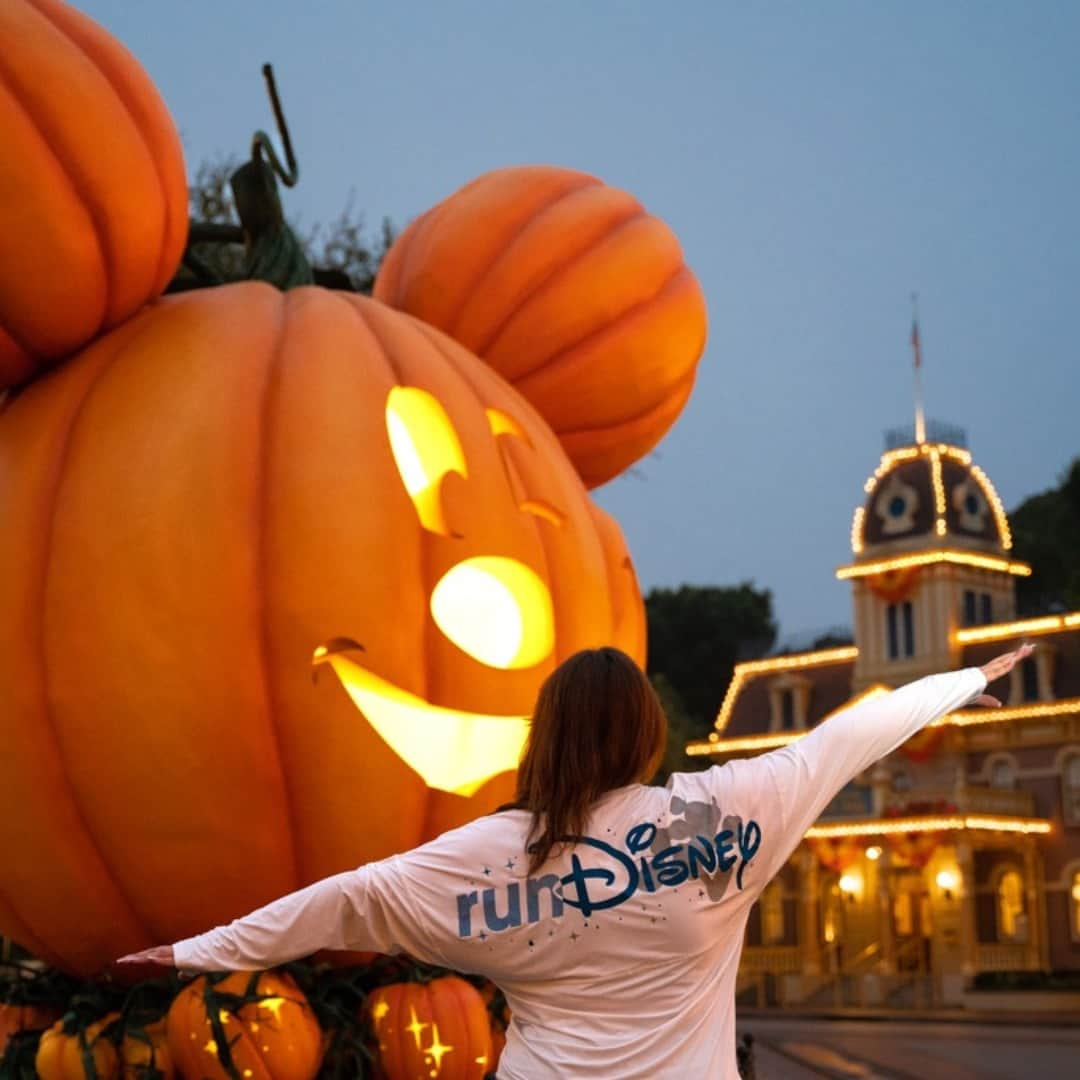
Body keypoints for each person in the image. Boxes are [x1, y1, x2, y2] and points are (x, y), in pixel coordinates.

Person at [118, 643, 1033, 1078]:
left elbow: (348, 901)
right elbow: (850, 739)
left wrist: (198, 951)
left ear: (545, 733)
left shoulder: (489, 857)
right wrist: (968, 682)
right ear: (647, 730)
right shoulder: (723, 811)